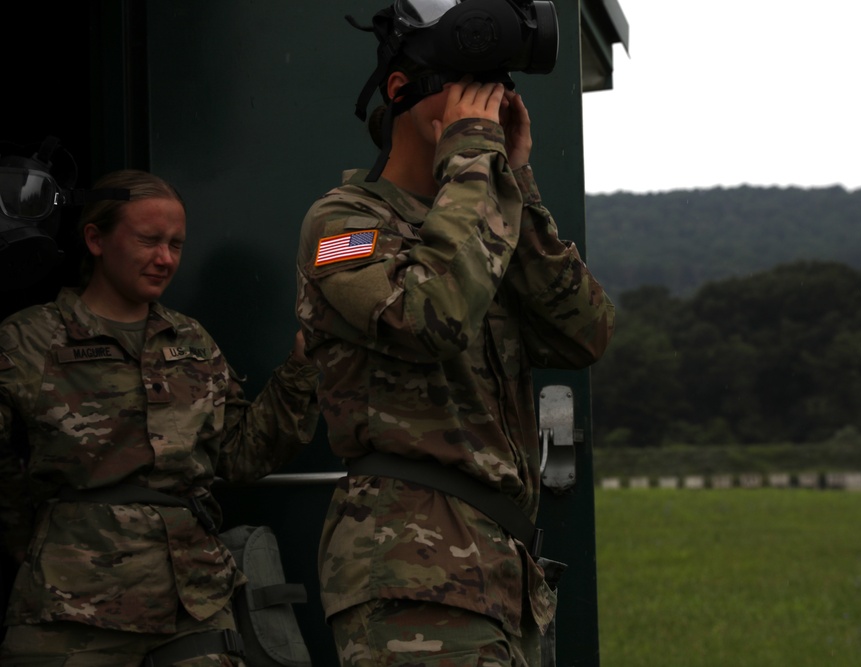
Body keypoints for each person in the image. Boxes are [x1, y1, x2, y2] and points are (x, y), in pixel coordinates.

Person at [294, 2, 615, 665]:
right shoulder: (343, 227)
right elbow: (431, 315)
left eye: (491, 90)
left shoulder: (489, 210)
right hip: (408, 565)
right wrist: (473, 157)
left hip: (496, 570)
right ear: (399, 89)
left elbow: (584, 333)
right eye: (461, 87)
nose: (481, 108)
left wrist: (515, 183)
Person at [0, 169, 320, 666]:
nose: (165, 259)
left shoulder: (192, 341)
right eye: (149, 240)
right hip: (70, 606)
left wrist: (301, 370)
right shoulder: (29, 340)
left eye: (176, 244)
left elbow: (240, 456)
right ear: (95, 239)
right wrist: (30, 542)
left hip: (193, 602)